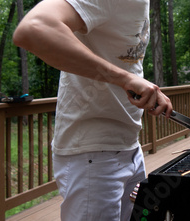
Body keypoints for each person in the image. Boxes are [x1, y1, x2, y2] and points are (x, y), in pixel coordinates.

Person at [13, 0, 172, 220]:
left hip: (129, 146)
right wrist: (125, 79)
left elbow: (123, 60)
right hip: (93, 155)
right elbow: (35, 28)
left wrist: (145, 88)